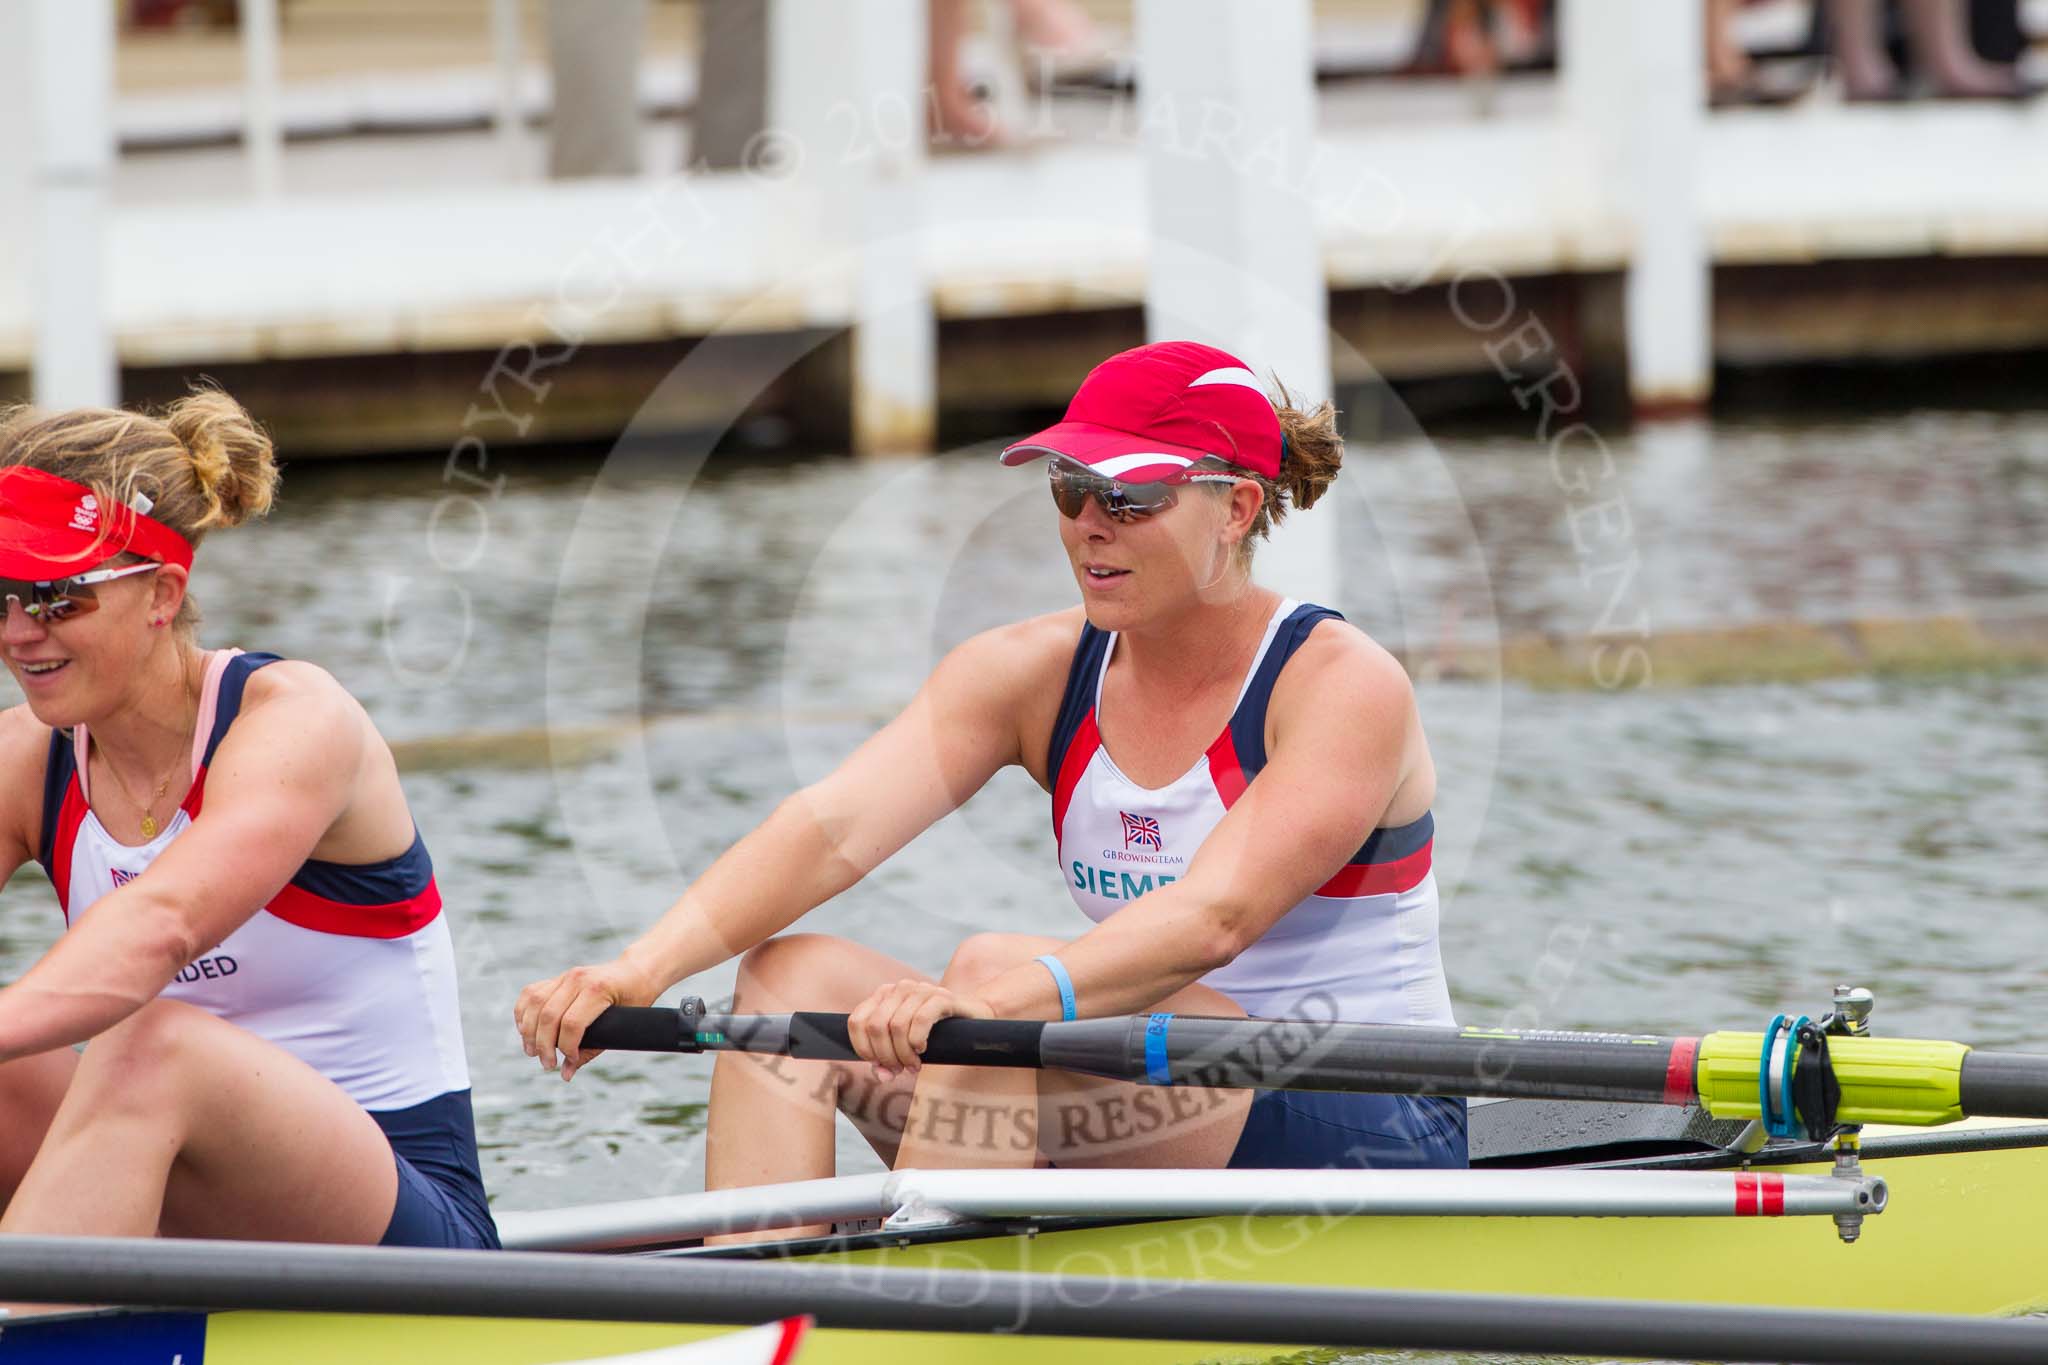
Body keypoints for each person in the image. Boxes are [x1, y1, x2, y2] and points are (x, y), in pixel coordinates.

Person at [517, 341, 1465, 1237]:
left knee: (987, 978)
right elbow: (830, 828)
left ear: (1235, 508)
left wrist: (998, 1001)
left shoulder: (1342, 684)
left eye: (1131, 494)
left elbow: (1215, 918)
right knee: (787, 977)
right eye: (1071, 486)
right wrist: (637, 971)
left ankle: (937, 1316)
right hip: (1149, 1085)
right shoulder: (1028, 672)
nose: (1090, 523)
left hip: (1366, 1117)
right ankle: (765, 1306)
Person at [0, 392, 496, 1251]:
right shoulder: (25, 757)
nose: (18, 634)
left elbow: (162, 926)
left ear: (162, 594)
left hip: (411, 1230)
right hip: (189, 1212)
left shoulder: (295, 722)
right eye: (0, 595)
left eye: (55, 597)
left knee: (150, 1044)